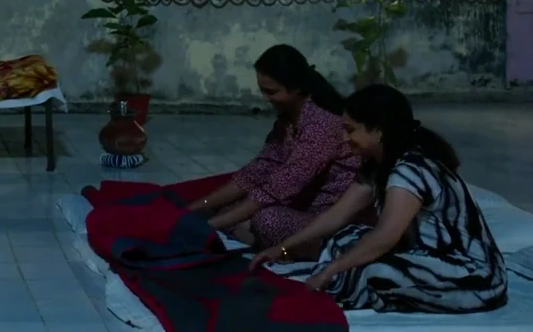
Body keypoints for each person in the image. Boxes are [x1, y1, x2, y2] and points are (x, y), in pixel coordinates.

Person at [250, 83, 509, 315]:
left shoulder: (411, 169)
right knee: (344, 237)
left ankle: (345, 287)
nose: (344, 138)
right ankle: (344, 283)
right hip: (424, 256)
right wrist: (282, 248)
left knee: (374, 271)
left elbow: (386, 236)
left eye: (350, 130)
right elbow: (336, 216)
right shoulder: (377, 166)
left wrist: (331, 270)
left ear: (378, 131)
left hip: (470, 275)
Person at [185, 45, 361, 249]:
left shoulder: (321, 125)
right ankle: (247, 236)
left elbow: (278, 188)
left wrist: (207, 226)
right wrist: (194, 208)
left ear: (297, 88)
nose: (265, 98)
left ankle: (281, 246)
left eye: (272, 92)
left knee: (266, 219)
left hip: (326, 217)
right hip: (299, 205)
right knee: (228, 207)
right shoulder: (288, 120)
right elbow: (256, 171)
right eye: (263, 91)